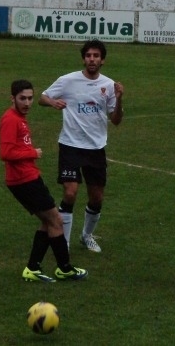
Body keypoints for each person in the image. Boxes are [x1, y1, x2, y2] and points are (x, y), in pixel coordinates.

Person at [39, 39, 124, 253]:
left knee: (96, 197)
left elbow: (115, 120)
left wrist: (120, 98)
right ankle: (63, 243)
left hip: (96, 148)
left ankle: (86, 236)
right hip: (70, 145)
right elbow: (42, 97)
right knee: (70, 193)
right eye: (88, 56)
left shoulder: (109, 85)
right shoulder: (67, 81)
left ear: (102, 60)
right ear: (84, 59)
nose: (92, 59)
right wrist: (53, 102)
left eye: (96, 56)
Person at [0, 79, 88, 282]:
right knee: (56, 220)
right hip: (23, 180)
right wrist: (32, 152)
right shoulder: (11, 119)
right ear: (12, 98)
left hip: (28, 177)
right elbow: (5, 152)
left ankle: (33, 268)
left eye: (30, 98)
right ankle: (64, 268)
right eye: (22, 98)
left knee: (48, 222)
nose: (28, 103)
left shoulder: (19, 117)